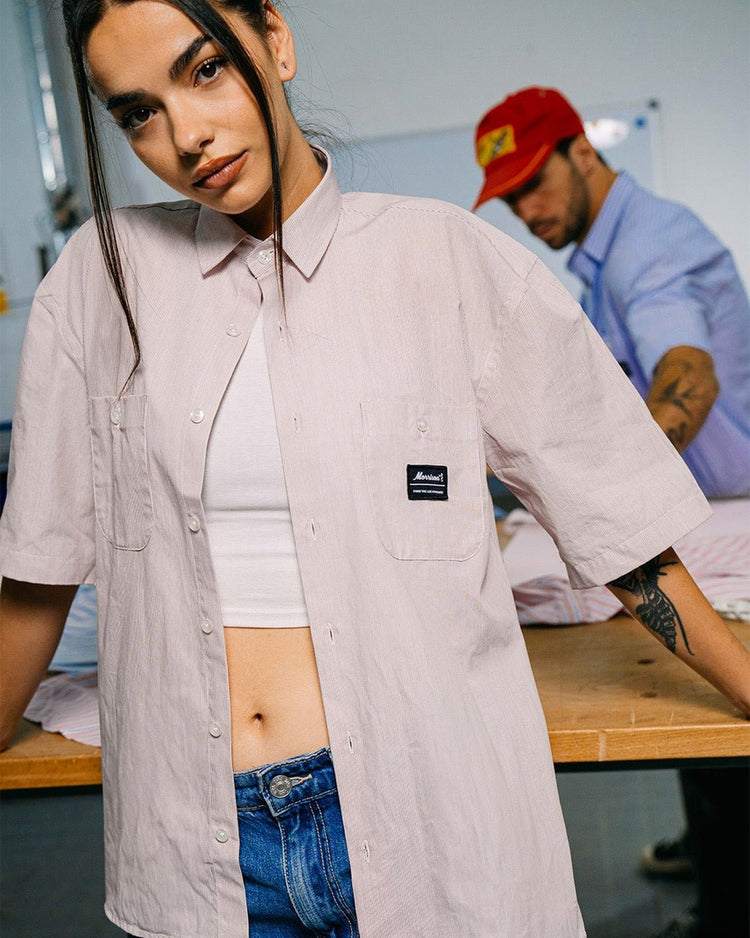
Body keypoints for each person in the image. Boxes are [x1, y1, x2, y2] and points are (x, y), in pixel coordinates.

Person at [1, 8, 749, 937]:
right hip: (201, 846)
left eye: (205, 71)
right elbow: (38, 569)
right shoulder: (96, 281)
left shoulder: (447, 260)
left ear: (274, 39)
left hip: (424, 820)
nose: (185, 135)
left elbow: (624, 540)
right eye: (138, 113)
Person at [472, 86, 750, 938]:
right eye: (510, 196)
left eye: (535, 183)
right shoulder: (604, 254)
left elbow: (685, 374)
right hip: (705, 506)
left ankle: (730, 901)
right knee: (685, 686)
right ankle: (717, 851)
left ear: (582, 153)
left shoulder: (645, 253)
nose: (528, 209)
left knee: (711, 691)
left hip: (729, 514)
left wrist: (610, 495)